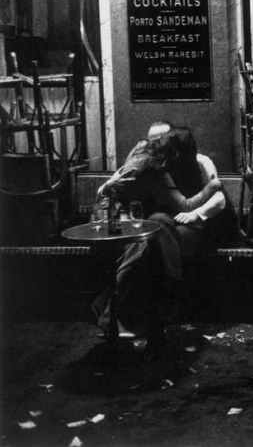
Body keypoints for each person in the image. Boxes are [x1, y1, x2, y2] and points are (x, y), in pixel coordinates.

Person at [94, 123, 225, 361]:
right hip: (154, 223)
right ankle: (163, 306)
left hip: (185, 224)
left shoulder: (200, 162)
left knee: (154, 236)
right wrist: (111, 186)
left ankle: (111, 306)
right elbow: (104, 190)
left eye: (160, 141)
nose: (155, 145)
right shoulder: (153, 164)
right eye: (152, 141)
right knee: (156, 229)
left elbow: (218, 199)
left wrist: (196, 214)